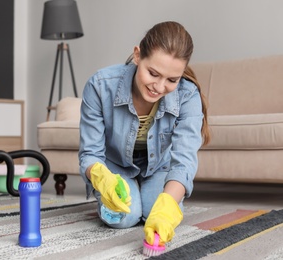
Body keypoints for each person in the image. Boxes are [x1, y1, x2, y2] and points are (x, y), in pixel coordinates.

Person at [78, 21, 210, 247]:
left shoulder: (188, 96)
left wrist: (168, 205)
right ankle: (131, 194)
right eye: (153, 73)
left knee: (156, 214)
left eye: (172, 80)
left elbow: (184, 162)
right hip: (115, 167)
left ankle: (149, 196)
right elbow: (90, 153)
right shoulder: (100, 86)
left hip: (159, 166)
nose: (159, 87)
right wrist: (102, 178)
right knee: (125, 217)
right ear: (138, 55)